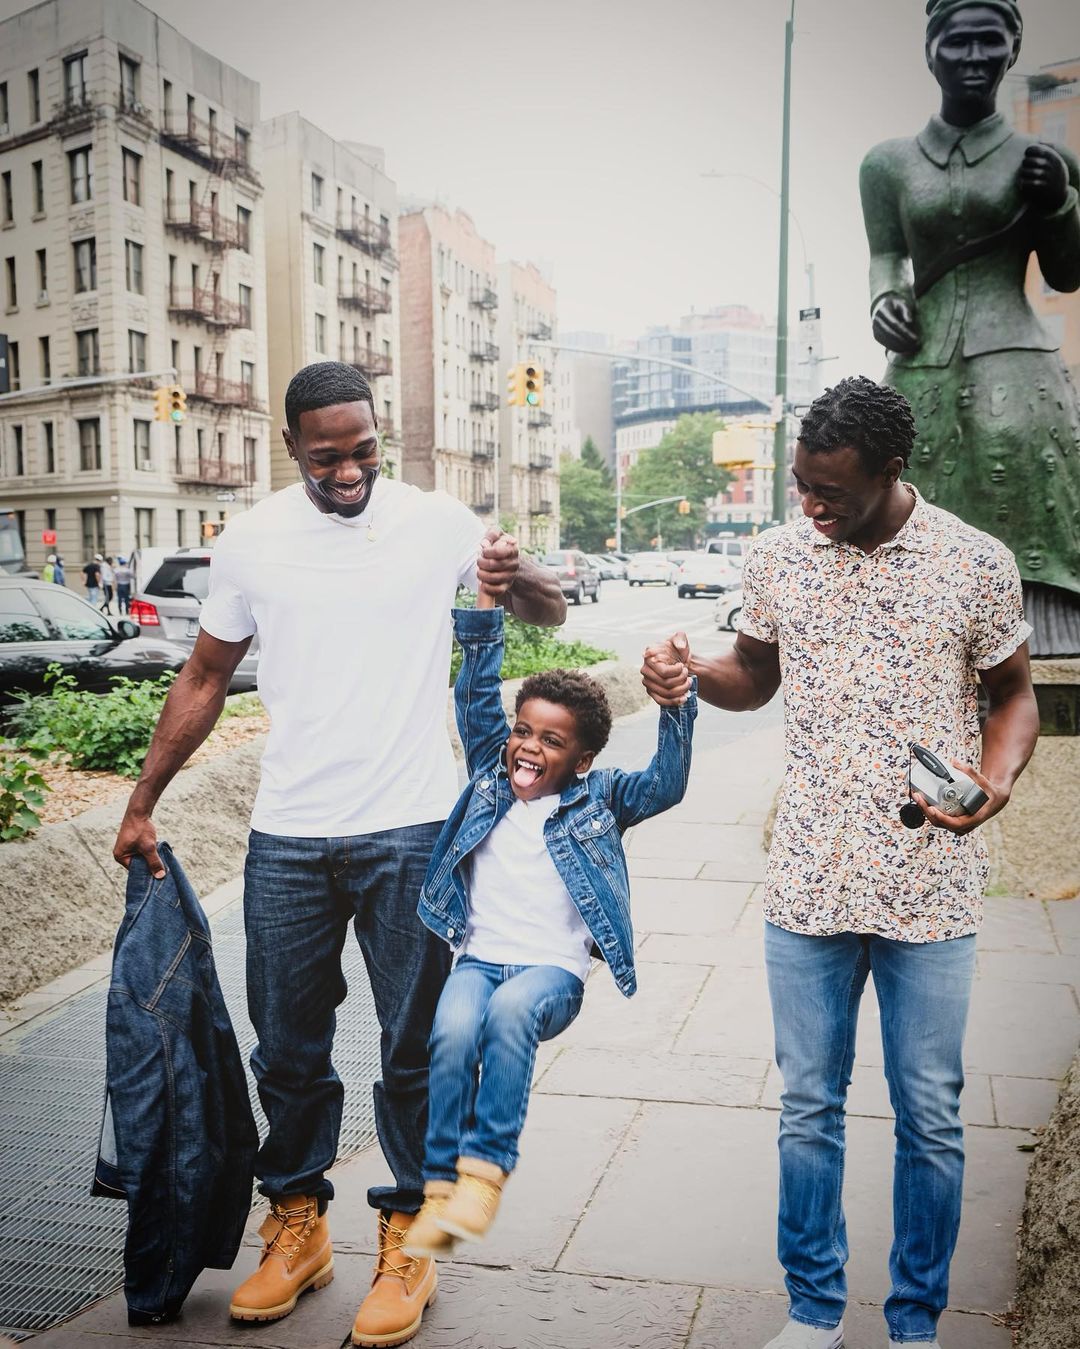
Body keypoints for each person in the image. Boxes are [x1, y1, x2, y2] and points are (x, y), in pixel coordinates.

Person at [112, 361, 564, 1348]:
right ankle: (299, 1224)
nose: (351, 470)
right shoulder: (252, 540)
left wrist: (512, 570)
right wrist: (143, 801)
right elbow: (204, 674)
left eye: (365, 450)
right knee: (287, 1044)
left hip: (414, 826)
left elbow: (547, 610)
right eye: (328, 457)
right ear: (292, 448)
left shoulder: (435, 521)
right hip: (289, 834)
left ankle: (410, 1238)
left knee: (415, 1044)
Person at [641, 377, 1039, 1349]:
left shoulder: (977, 562)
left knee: (930, 1113)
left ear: (890, 471)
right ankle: (814, 1309)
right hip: (808, 876)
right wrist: (688, 675)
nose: (812, 505)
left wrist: (994, 780)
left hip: (927, 880)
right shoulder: (779, 555)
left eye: (833, 491)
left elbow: (1015, 695)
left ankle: (915, 1322)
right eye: (802, 485)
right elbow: (752, 676)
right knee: (807, 1106)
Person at [401, 582, 696, 1270]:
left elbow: (667, 783)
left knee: (509, 1014)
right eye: (523, 732)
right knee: (449, 1033)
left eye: (551, 741)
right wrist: (485, 605)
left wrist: (677, 705)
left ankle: (485, 1173)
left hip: (550, 974)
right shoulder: (489, 778)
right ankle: (440, 1187)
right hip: (478, 960)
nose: (529, 748)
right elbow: (475, 696)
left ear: (582, 759)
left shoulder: (601, 799)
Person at [860, 0, 1080, 654]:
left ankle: (1044, 632)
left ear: (1014, 49)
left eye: (991, 41)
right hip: (918, 364)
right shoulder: (887, 163)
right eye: (958, 42)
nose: (975, 57)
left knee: (1031, 496)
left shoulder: (1046, 157)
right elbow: (885, 255)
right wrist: (883, 301)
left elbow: (1067, 274)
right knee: (901, 497)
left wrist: (1059, 202)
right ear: (931, 50)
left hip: (1017, 356)